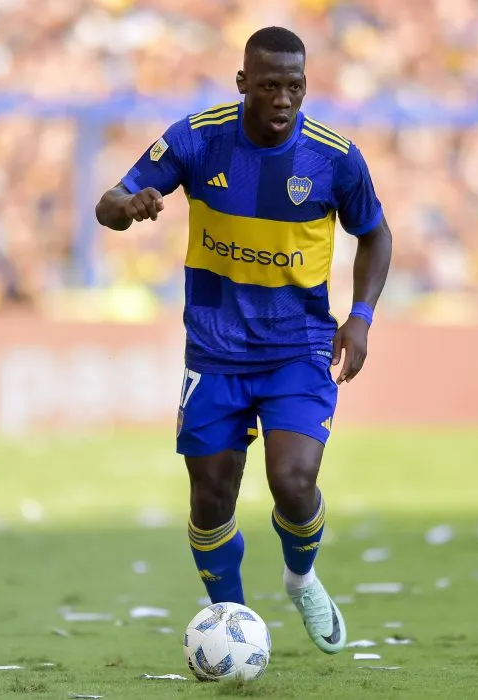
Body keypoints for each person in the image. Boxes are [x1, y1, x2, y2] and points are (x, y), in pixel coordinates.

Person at [95, 26, 392, 655]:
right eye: (269, 86)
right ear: (243, 84)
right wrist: (129, 206)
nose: (283, 99)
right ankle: (230, 620)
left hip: (298, 345)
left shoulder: (335, 158)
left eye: (295, 86)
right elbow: (109, 201)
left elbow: (377, 234)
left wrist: (361, 316)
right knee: (210, 494)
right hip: (215, 346)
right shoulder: (199, 138)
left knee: (293, 479)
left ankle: (301, 576)